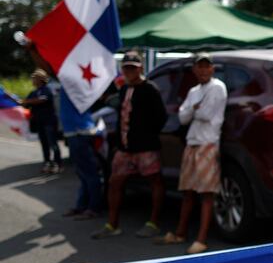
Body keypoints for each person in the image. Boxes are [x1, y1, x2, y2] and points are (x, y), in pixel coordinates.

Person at [154, 53, 227, 255]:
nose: (203, 70)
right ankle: (181, 232)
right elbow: (183, 117)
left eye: (206, 66)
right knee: (187, 191)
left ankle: (201, 239)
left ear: (212, 68)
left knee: (206, 193)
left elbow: (204, 113)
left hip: (207, 144)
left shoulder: (218, 87)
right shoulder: (194, 91)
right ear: (194, 69)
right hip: (192, 143)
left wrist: (193, 109)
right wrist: (194, 108)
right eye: (199, 66)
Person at [92, 50, 167, 240]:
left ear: (140, 68)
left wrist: (147, 135)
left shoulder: (150, 89)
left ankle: (153, 222)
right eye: (126, 68)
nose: (129, 71)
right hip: (125, 148)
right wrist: (119, 142)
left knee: (155, 182)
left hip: (146, 147)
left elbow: (161, 117)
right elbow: (121, 117)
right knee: (114, 182)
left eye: (133, 68)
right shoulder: (125, 89)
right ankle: (112, 224)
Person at [59, 89, 104, 220]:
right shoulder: (68, 83)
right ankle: (82, 206)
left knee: (89, 173)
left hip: (80, 132)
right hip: (74, 132)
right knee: (82, 173)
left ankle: (93, 208)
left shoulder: (74, 83)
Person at [20, 68, 63, 174]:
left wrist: (27, 101)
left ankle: (57, 164)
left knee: (53, 143)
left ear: (40, 79)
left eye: (34, 78)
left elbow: (42, 99)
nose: (33, 80)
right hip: (39, 122)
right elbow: (25, 104)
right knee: (44, 144)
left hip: (49, 121)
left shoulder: (47, 89)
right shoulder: (33, 93)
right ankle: (47, 163)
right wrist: (15, 100)